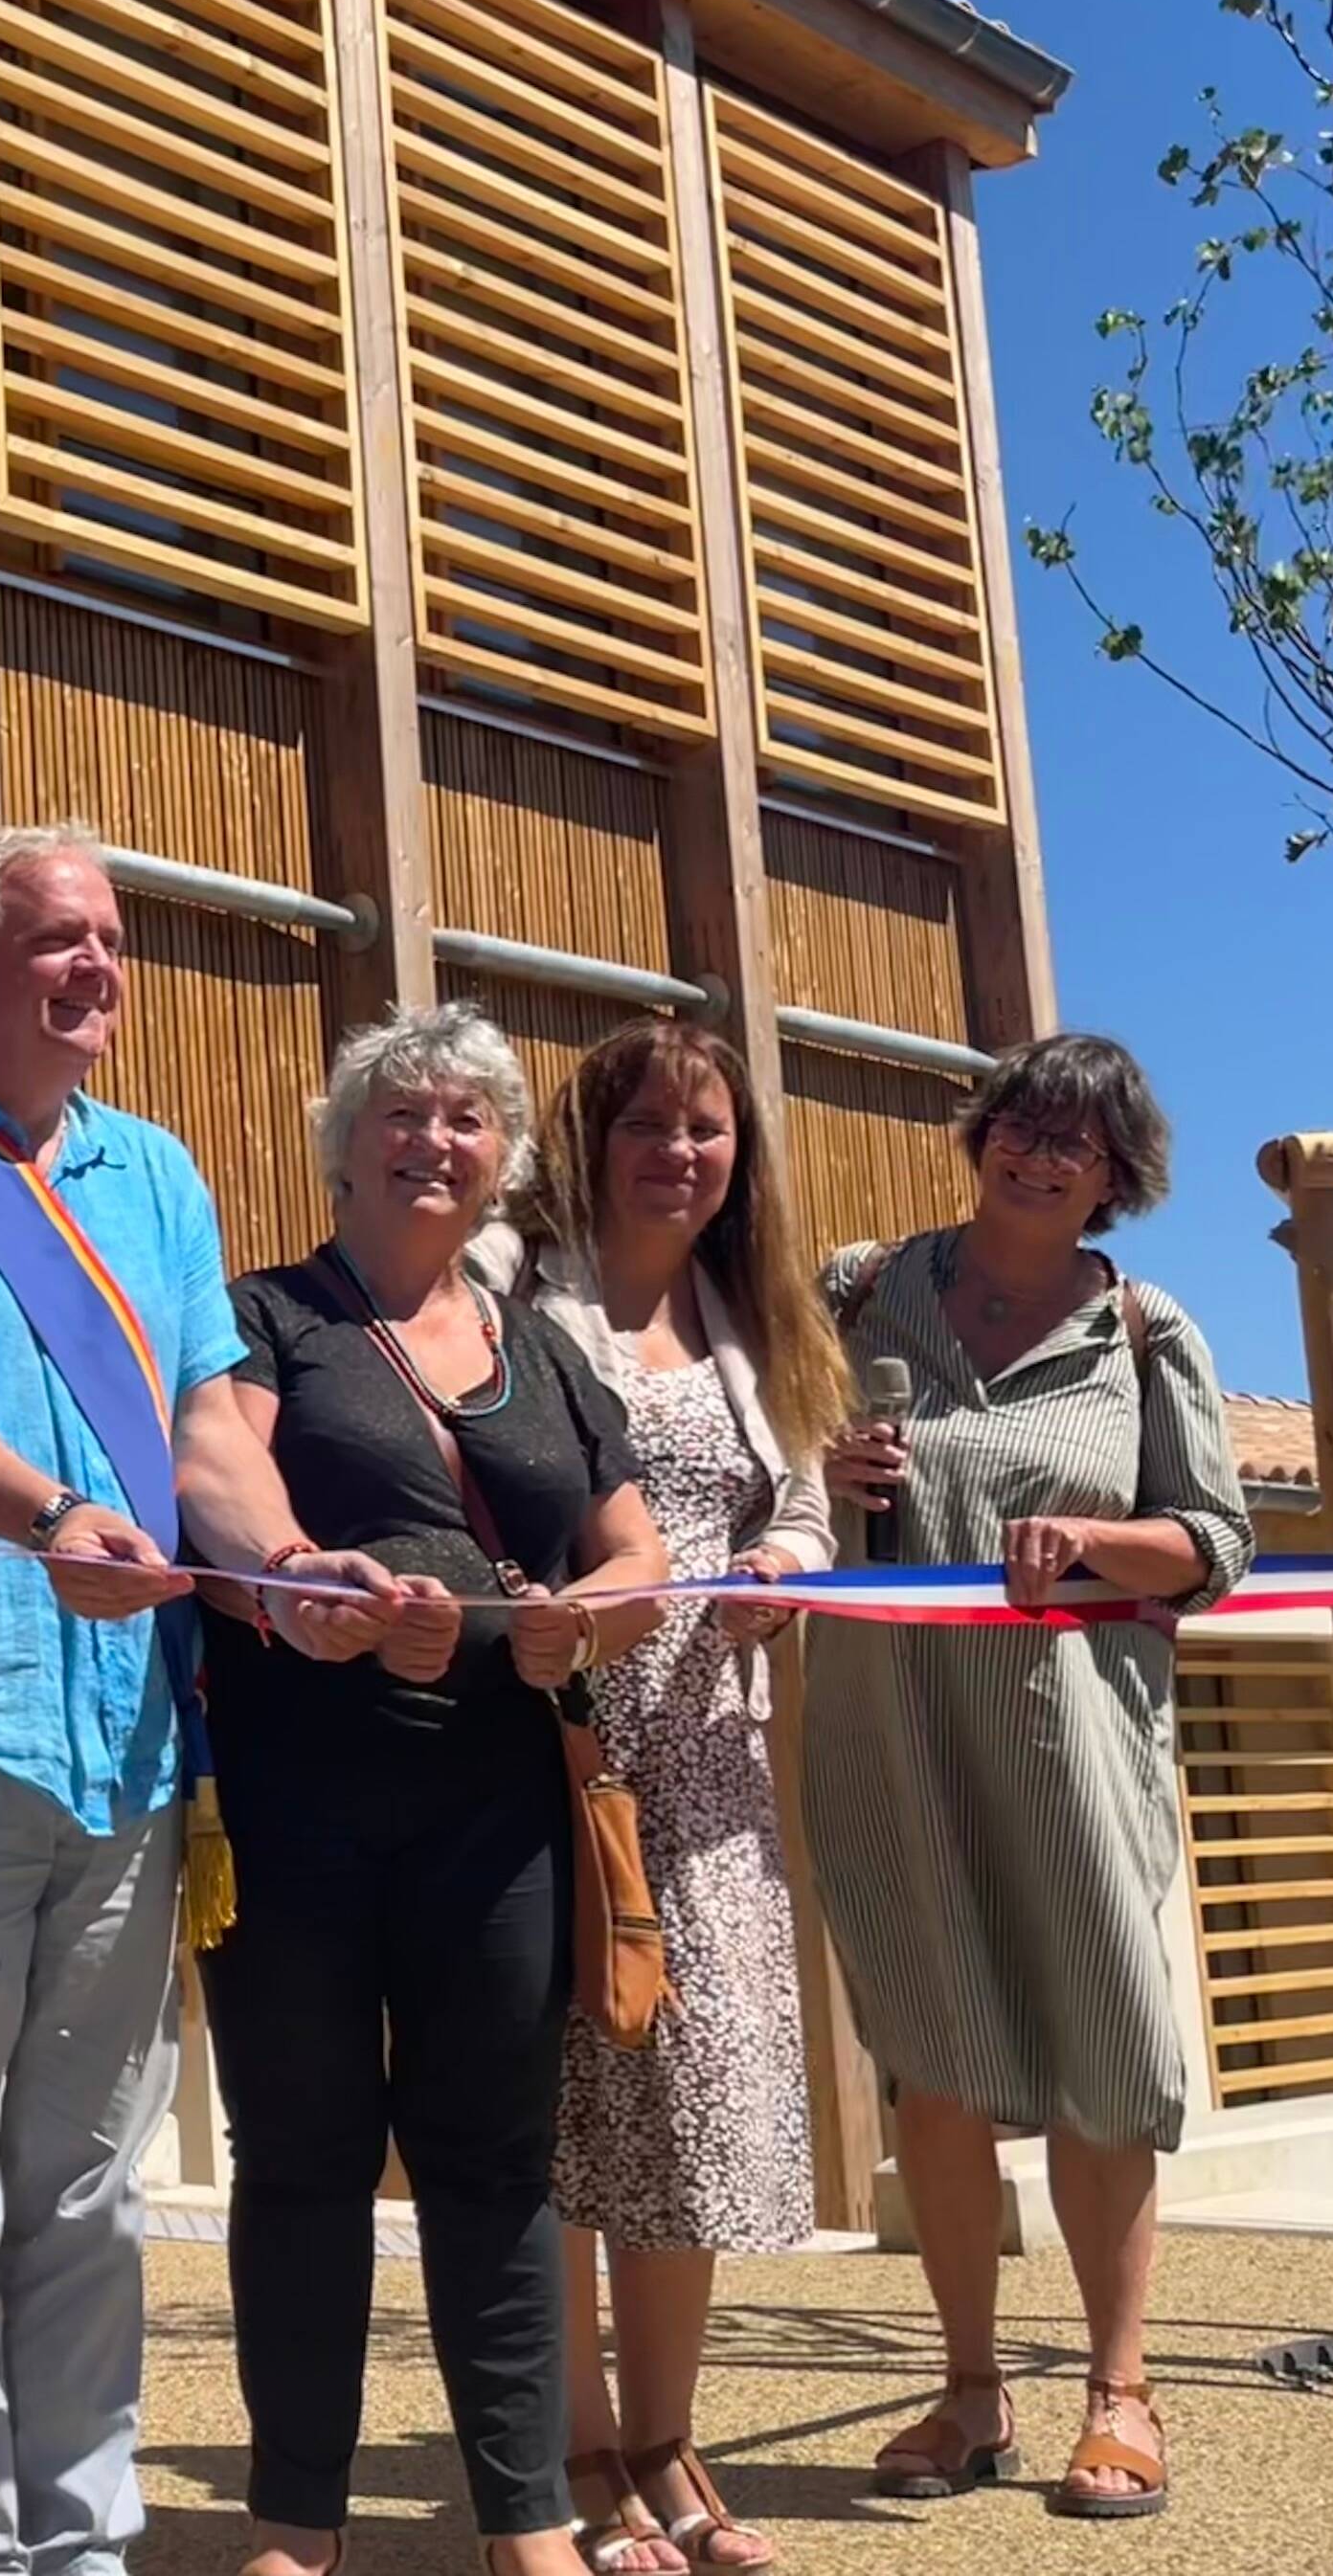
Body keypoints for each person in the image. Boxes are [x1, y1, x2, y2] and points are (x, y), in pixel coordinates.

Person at [0, 822, 410, 2576]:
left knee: (84, 2178)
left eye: (113, 937)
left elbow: (210, 1434)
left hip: (130, 1737)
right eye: (61, 936)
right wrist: (50, 1514)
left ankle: (85, 2542)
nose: (100, 966)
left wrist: (288, 1561)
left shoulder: (156, 1171)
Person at [208, 1003, 673, 2576]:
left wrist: (576, 1621)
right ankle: (296, 2518)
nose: (433, 1138)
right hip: (293, 1804)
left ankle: (525, 2516)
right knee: (301, 2158)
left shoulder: (543, 1349)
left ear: (501, 1159)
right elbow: (219, 1488)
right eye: (400, 1112)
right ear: (341, 1147)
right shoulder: (267, 1317)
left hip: (498, 1815)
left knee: (494, 2164)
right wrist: (306, 1584)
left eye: (467, 1116)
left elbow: (635, 1551)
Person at [815, 1032, 1252, 2529]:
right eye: (1025, 1123)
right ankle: (968, 2390)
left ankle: (1120, 2391)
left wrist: (1093, 1544)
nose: (1043, 1154)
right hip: (889, 1730)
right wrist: (824, 1473)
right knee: (933, 2057)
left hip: (1076, 1744)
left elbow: (1214, 1543)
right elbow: (758, 1467)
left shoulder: (1145, 1329)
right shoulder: (859, 1291)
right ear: (983, 1132)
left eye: (1080, 1142)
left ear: (1117, 1177)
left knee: (1104, 2050)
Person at [479, 1020, 847, 2575]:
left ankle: (664, 2435)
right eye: (647, 1124)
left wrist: (784, 1566)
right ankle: (576, 2449)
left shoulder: (757, 1312)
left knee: (691, 2108)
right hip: (544, 1739)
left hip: (705, 1756)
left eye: (705, 1130)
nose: (678, 1154)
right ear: (591, 1136)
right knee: (564, 2104)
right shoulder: (513, 1284)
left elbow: (809, 1503)